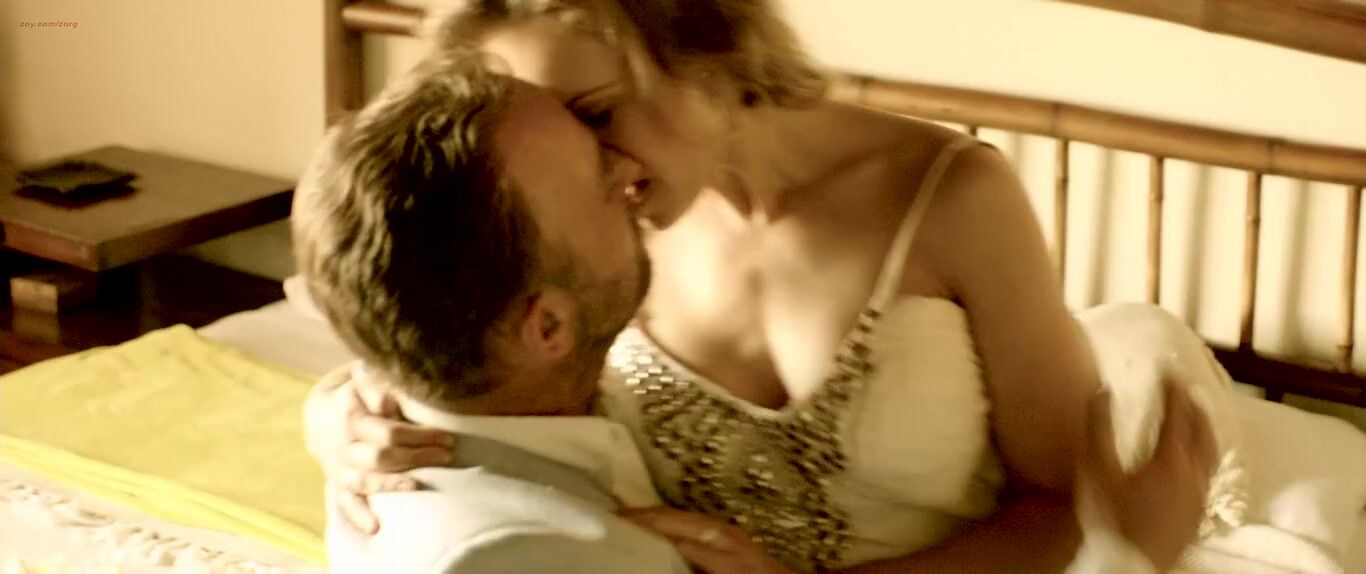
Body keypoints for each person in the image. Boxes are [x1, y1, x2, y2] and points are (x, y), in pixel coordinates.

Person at [303, 1, 1227, 571]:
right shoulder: (590, 249)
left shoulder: (951, 196)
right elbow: (453, 337)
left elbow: (1072, 510)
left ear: (698, 41)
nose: (596, 167)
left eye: (596, 114)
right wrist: (339, 415)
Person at [293, 50, 687, 573]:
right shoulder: (536, 553)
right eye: (601, 184)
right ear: (548, 327)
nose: (629, 169)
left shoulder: (389, 403)